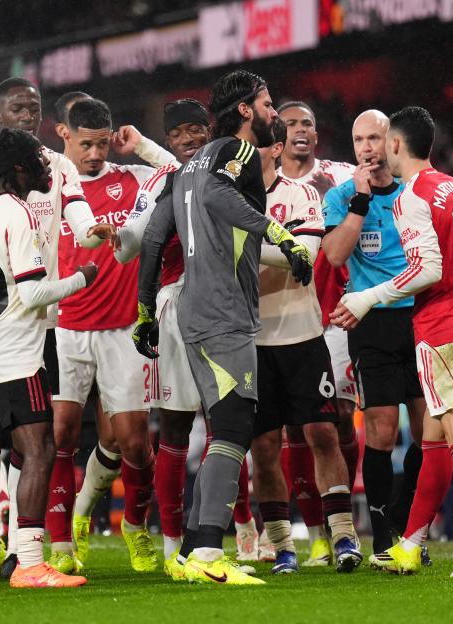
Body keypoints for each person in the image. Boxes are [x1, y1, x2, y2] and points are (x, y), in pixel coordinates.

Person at [137, 69, 312, 585]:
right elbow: (218, 200)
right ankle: (210, 554)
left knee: (224, 431)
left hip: (193, 309)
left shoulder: (186, 169)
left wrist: (146, 311)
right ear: (244, 111)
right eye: (267, 103)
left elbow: (152, 242)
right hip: (224, 312)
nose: (274, 113)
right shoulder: (236, 155)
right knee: (232, 429)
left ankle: (200, 547)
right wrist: (281, 232)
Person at [331, 105, 453, 578]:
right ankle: (409, 542)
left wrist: (368, 297)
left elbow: (427, 269)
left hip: (443, 328)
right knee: (431, 441)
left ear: (394, 144)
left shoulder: (413, 196)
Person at [0, 77, 113, 579]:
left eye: (34, 107)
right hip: (22, 323)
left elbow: (82, 224)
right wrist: (81, 277)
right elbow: (31, 285)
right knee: (35, 444)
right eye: (17, 107)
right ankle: (13, 553)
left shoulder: (51, 167)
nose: (27, 114)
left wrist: (94, 233)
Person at [49, 97, 175, 574]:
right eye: (87, 144)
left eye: (103, 143)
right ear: (63, 134)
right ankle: (61, 543)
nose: (97, 153)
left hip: (123, 329)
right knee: (59, 433)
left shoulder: (132, 181)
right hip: (64, 327)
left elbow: (179, 171)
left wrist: (139, 144)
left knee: (134, 444)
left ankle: (135, 527)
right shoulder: (47, 188)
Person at [251, 118, 361, 575]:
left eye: (254, 147)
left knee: (322, 433)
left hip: (303, 333)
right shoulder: (227, 199)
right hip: (251, 340)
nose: (243, 156)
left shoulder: (302, 195)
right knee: (263, 446)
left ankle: (343, 537)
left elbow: (306, 257)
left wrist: (239, 246)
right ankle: (281, 547)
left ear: (274, 150)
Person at [322, 110, 426, 563]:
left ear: (394, 142)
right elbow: (333, 256)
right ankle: (384, 538)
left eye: (374, 138)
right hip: (373, 323)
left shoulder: (417, 193)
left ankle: (409, 528)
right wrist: (360, 203)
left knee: (427, 437)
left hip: (422, 319)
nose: (366, 148)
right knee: (382, 432)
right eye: (358, 139)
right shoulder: (342, 195)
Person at [113, 98, 211, 574]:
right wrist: (116, 237)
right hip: (174, 305)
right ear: (170, 140)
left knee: (229, 429)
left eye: (198, 130)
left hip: (223, 307)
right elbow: (132, 243)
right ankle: (173, 544)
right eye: (180, 133)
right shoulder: (156, 184)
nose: (190, 139)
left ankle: (240, 537)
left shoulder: (224, 173)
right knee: (174, 429)